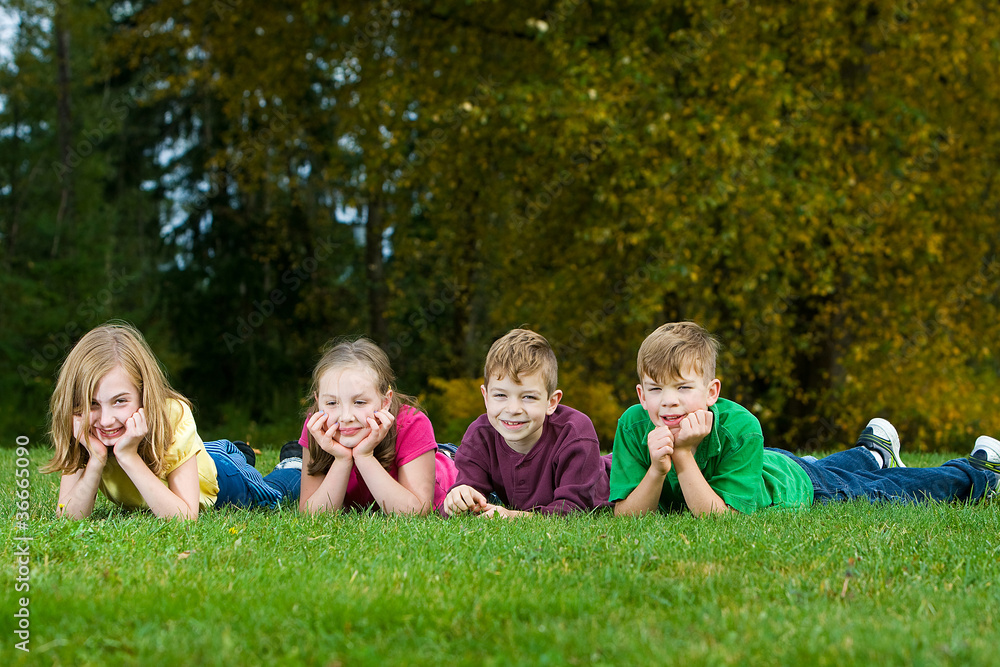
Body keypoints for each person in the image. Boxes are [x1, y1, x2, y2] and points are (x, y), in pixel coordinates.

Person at [611, 321, 1000, 516]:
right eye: (656, 389)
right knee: (845, 471)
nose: (669, 403)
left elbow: (719, 521)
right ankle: (871, 451)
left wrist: (681, 456)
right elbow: (628, 518)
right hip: (770, 464)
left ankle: (976, 475)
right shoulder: (633, 424)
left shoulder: (741, 426)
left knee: (881, 489)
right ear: (641, 394)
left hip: (794, 485)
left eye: (683, 388)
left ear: (712, 392)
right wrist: (656, 472)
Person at [45, 322, 291, 520]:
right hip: (192, 458)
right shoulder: (82, 424)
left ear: (144, 395)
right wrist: (96, 461)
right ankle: (239, 451)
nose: (106, 420)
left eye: (120, 401)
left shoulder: (172, 415)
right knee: (207, 452)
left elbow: (184, 518)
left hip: (223, 481)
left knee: (278, 493)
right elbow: (69, 517)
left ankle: (289, 462)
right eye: (93, 404)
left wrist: (128, 456)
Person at [266, 337, 457, 515]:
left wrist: (364, 457)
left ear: (385, 401)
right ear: (318, 400)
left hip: (445, 463)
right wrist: (342, 459)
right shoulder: (317, 426)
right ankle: (291, 459)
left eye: (359, 402)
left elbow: (416, 512)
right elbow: (312, 514)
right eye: (332, 403)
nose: (346, 417)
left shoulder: (412, 423)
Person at [443, 328, 611, 517]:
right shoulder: (480, 435)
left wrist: (512, 516)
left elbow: (574, 510)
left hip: (616, 480)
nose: (513, 409)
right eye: (500, 395)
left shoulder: (574, 432)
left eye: (529, 397)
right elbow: (468, 493)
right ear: (486, 397)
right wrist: (459, 498)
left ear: (551, 402)